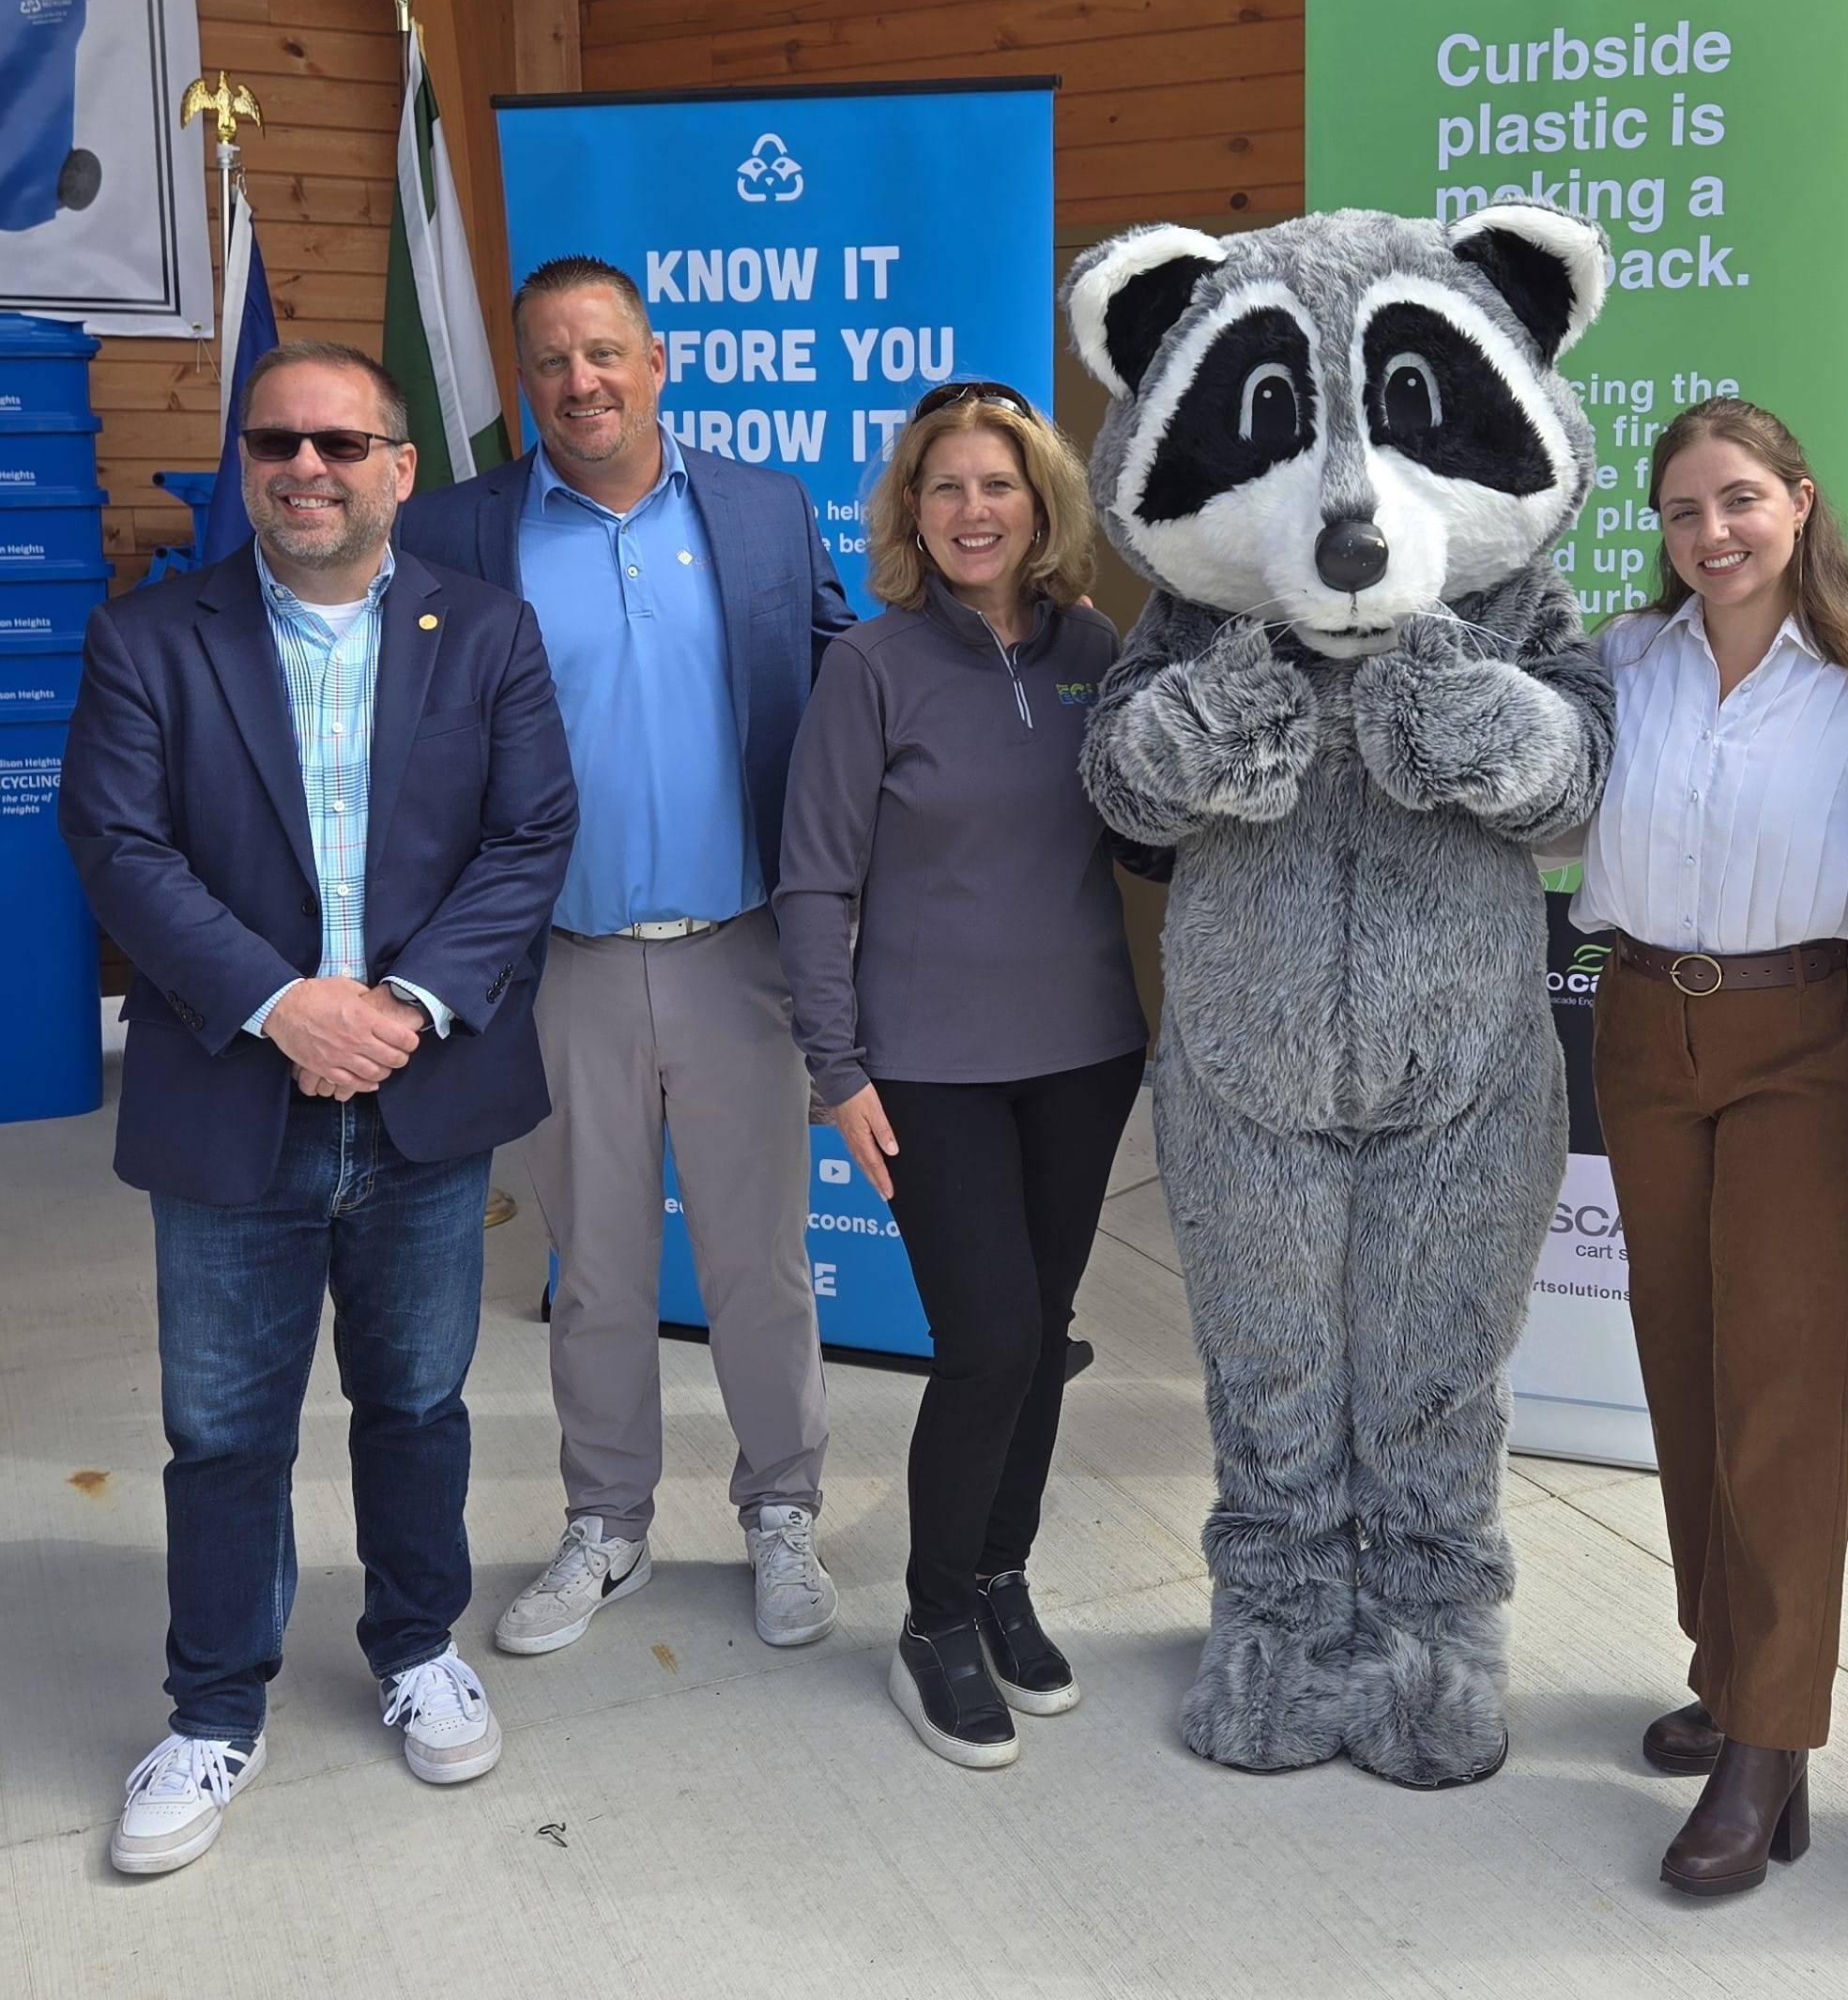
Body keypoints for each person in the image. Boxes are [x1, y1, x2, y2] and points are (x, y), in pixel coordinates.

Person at [60, 342, 578, 1873]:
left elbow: (532, 835)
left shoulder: (485, 631)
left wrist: (400, 1009)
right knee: (222, 1430)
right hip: (234, 1096)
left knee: (416, 1403)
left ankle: (417, 1645)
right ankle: (216, 1708)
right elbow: (118, 843)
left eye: (342, 443)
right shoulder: (149, 637)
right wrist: (288, 1005)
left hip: (424, 1097)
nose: (308, 467)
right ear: (246, 463)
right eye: (278, 441)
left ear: (398, 468)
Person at [396, 255, 856, 1657]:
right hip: (560, 965)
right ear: (523, 380)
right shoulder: (457, 531)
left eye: (605, 353)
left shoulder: (763, 512)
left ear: (659, 365)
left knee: (759, 1264)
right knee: (592, 1267)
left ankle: (781, 1512)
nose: (580, 382)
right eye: (550, 360)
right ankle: (607, 1522)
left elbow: (849, 690)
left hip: (740, 955)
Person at [1563, 398, 1848, 1894]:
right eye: (1686, 508)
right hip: (1645, 1021)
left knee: (1781, 1385)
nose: (1714, 532)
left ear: (1799, 501)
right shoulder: (1618, 663)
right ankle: (1728, 1677)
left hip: (1806, 1037)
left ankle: (1774, 1743)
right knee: (1686, 1363)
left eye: (1741, 500)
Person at [773, 380, 1150, 1769]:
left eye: (997, 486)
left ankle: (1002, 1576)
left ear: (1039, 503)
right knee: (989, 1339)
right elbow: (813, 881)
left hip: (1087, 1054)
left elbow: (1145, 825)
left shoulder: (1095, 646)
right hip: (927, 1067)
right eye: (945, 490)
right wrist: (838, 1064)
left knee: (1041, 1335)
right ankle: (933, 1618)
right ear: (911, 515)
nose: (972, 511)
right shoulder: (871, 666)